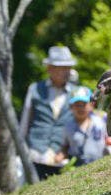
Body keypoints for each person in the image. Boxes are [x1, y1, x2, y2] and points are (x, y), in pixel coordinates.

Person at [19, 46, 78, 180]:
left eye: (68, 68)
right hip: (35, 155)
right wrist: (21, 151)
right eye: (61, 68)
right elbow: (24, 123)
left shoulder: (75, 92)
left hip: (62, 158)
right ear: (49, 69)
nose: (66, 72)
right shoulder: (35, 89)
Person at [55, 86, 109, 167]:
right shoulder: (67, 126)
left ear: (91, 105)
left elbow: (109, 139)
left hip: (101, 163)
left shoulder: (101, 120)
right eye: (77, 105)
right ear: (71, 107)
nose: (80, 108)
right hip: (78, 167)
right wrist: (61, 155)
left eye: (84, 104)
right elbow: (65, 146)